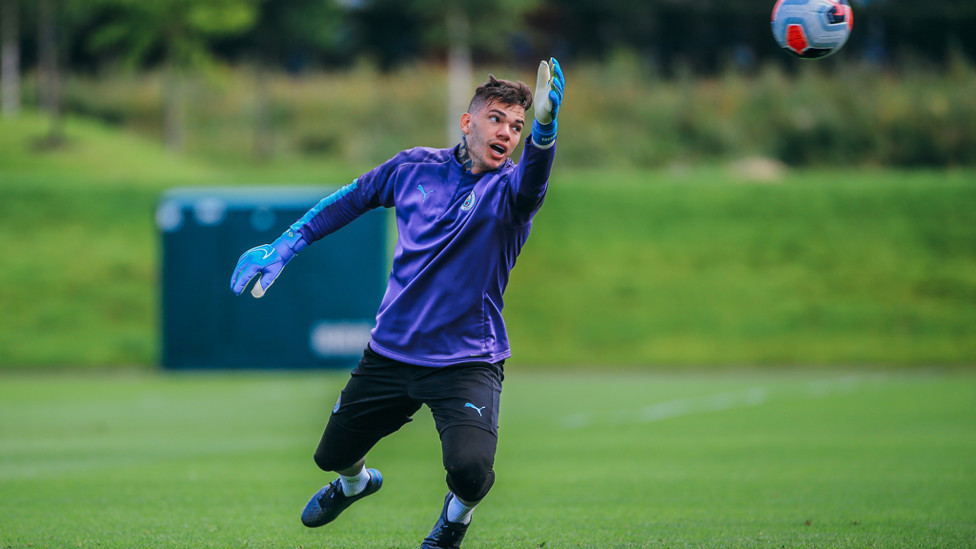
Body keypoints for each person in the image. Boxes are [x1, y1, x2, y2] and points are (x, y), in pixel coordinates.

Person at [230, 57, 565, 549]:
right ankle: (355, 484)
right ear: (467, 122)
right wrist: (289, 242)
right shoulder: (413, 167)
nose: (507, 133)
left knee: (471, 473)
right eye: (497, 119)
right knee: (331, 454)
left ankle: (455, 520)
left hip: (466, 359)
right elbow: (353, 197)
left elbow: (534, 181)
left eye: (516, 126)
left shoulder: (510, 191)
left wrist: (545, 129)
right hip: (391, 352)